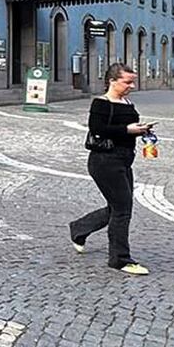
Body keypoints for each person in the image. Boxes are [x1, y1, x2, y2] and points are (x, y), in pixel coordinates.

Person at [68, 63, 155, 276]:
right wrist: (127, 129)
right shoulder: (101, 104)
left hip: (125, 159)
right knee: (123, 209)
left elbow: (125, 129)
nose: (131, 86)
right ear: (112, 81)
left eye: (132, 81)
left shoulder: (127, 102)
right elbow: (97, 129)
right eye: (127, 82)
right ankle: (120, 259)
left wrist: (141, 131)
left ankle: (79, 228)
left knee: (117, 206)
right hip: (104, 161)